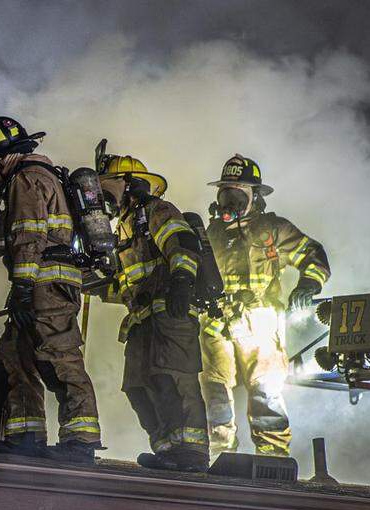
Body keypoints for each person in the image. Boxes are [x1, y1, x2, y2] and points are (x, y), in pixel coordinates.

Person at [0, 117, 101, 463]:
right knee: (14, 354)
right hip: (38, 283)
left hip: (46, 285)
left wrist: (25, 287)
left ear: (1, 156)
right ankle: (26, 436)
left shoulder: (26, 179)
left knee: (59, 356)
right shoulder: (39, 176)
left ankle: (81, 440)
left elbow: (29, 236)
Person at [201, 155, 331, 457]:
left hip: (259, 321)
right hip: (216, 322)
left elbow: (313, 254)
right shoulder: (211, 234)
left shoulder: (273, 229)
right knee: (215, 391)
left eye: (237, 195)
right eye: (225, 194)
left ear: (254, 197)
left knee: (265, 391)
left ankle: (273, 457)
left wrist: (308, 284)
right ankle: (220, 454)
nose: (229, 202)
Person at [94, 151, 210, 472]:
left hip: (171, 313)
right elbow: (125, 282)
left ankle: (192, 453)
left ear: (128, 183)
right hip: (141, 321)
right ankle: (166, 450)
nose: (102, 194)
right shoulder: (123, 229)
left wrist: (182, 280)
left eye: (108, 185)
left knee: (174, 381)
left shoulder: (157, 210)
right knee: (139, 388)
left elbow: (181, 243)